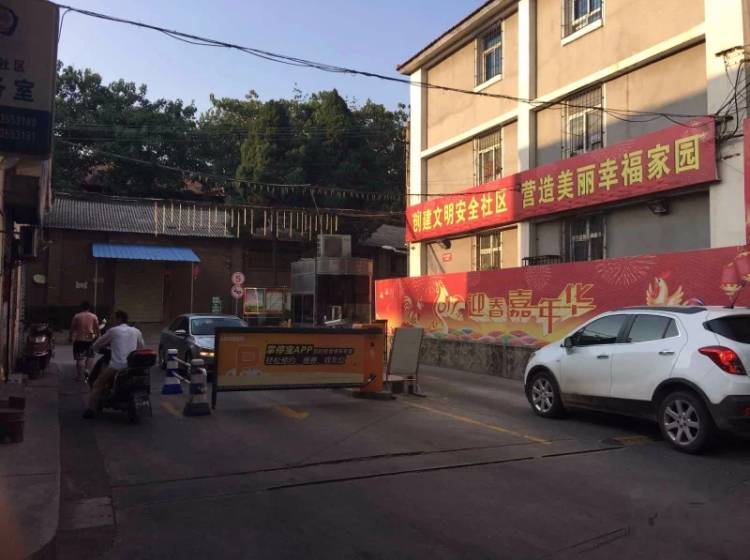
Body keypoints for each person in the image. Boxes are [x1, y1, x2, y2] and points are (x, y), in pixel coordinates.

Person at [83, 310, 145, 419]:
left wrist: (93, 347)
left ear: (119, 319)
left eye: (113, 318)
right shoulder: (136, 331)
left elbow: (97, 344)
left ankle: (90, 410)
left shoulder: (113, 331)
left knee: (97, 384)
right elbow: (141, 347)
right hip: (132, 366)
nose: (111, 321)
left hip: (117, 366)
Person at [69, 301, 99, 381]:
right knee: (90, 356)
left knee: (79, 359)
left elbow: (72, 327)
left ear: (81, 307)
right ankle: (87, 370)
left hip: (79, 338)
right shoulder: (94, 316)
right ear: (89, 308)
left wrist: (70, 337)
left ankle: (79, 376)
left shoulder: (77, 316)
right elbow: (97, 328)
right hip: (90, 338)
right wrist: (98, 336)